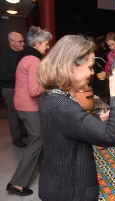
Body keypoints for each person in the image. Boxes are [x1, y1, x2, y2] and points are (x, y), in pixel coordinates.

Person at [37, 35, 115, 201]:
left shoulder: (51, 97)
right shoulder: (62, 105)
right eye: (90, 67)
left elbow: (70, 127)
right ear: (72, 66)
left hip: (57, 183)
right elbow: (114, 136)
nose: (92, 73)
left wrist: (98, 121)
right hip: (71, 192)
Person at [6, 26, 52, 196]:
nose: (48, 47)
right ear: (38, 43)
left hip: (22, 103)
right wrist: (50, 83)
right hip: (29, 105)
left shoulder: (26, 56)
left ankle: (43, 169)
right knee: (37, 142)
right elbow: (34, 91)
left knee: (39, 138)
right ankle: (16, 183)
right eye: (46, 44)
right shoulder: (33, 60)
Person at [0, 31, 27, 148]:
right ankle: (16, 138)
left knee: (22, 111)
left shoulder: (23, 53)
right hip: (9, 89)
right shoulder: (4, 55)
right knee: (14, 114)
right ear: (11, 42)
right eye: (20, 41)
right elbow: (2, 75)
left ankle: (22, 132)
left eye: (23, 41)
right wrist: (20, 74)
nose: (23, 44)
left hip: (21, 87)